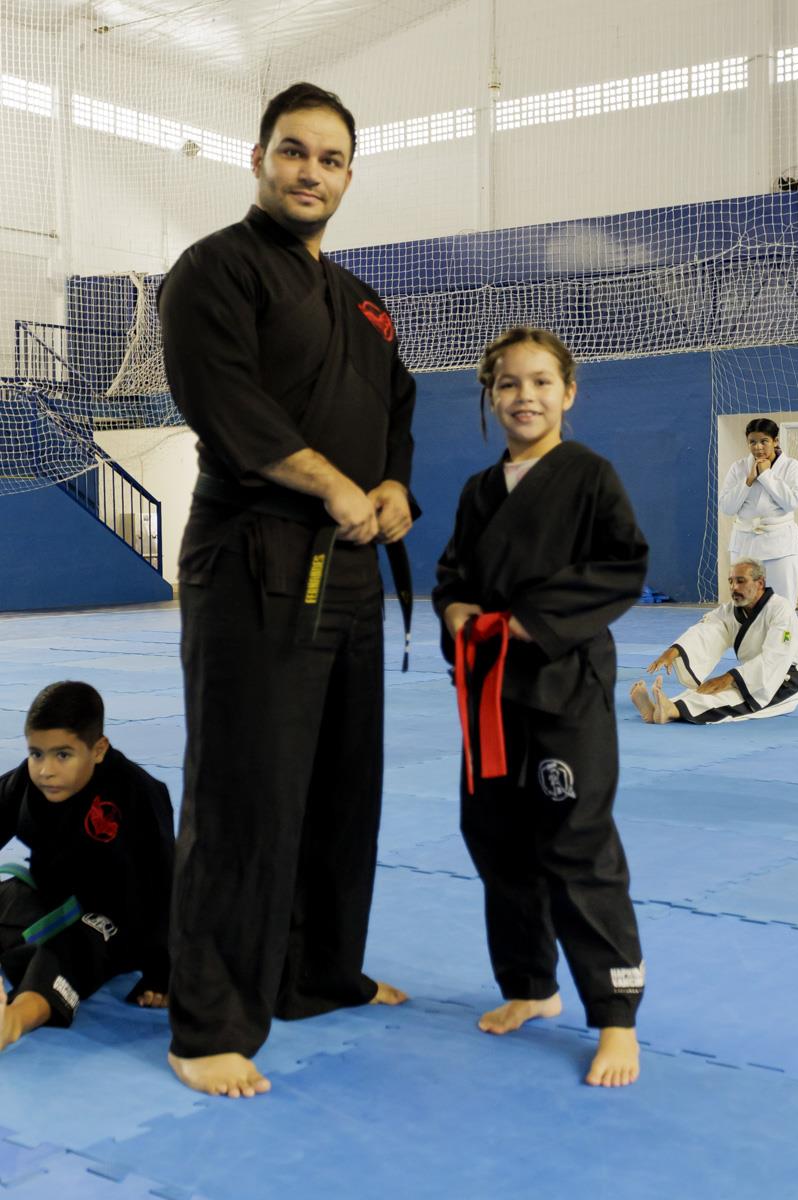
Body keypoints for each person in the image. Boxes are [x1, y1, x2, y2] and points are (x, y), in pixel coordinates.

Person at [158, 83, 415, 1098]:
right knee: (245, 788)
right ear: (258, 157)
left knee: (342, 784)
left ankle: (316, 973)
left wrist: (392, 486)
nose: (312, 171)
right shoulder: (213, 269)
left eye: (331, 158)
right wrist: (332, 483)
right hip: (254, 555)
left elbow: (397, 405)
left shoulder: (362, 298)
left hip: (349, 562)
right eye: (294, 151)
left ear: (349, 174)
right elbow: (224, 400)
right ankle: (209, 1023)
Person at [432, 327, 648, 1088]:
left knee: (575, 841)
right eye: (508, 384)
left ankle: (615, 1014)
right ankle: (530, 985)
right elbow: (453, 573)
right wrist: (455, 608)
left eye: (541, 382)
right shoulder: (479, 490)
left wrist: (534, 620)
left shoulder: (590, 475)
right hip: (491, 693)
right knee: (494, 835)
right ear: (491, 397)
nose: (525, 396)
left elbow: (624, 565)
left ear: (568, 392)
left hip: (564, 689)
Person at [0, 682, 173, 1050]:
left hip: (113, 918)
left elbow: (164, 883)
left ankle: (12, 1021)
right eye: (36, 753)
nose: (45, 770)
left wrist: (163, 970)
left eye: (63, 755)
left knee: (69, 949)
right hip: (48, 896)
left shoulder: (136, 793)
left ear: (98, 749)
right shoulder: (26, 783)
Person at [631, 559, 798, 724]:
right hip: (750, 675)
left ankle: (671, 712)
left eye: (741, 581)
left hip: (784, 681)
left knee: (731, 698)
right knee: (705, 690)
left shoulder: (780, 609)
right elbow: (707, 630)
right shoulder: (731, 610)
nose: (734, 587)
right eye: (731, 582)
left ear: (760, 583)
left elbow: (777, 657)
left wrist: (729, 678)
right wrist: (674, 651)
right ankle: (661, 709)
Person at [719, 418, 798, 606]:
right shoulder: (739, 468)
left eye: (764, 441)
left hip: (780, 545)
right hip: (744, 543)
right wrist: (748, 481)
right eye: (752, 442)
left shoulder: (792, 466)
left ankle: (783, 628)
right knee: (745, 601)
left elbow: (791, 502)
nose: (758, 447)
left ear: (775, 441)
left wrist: (766, 475)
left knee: (782, 602)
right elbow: (727, 507)